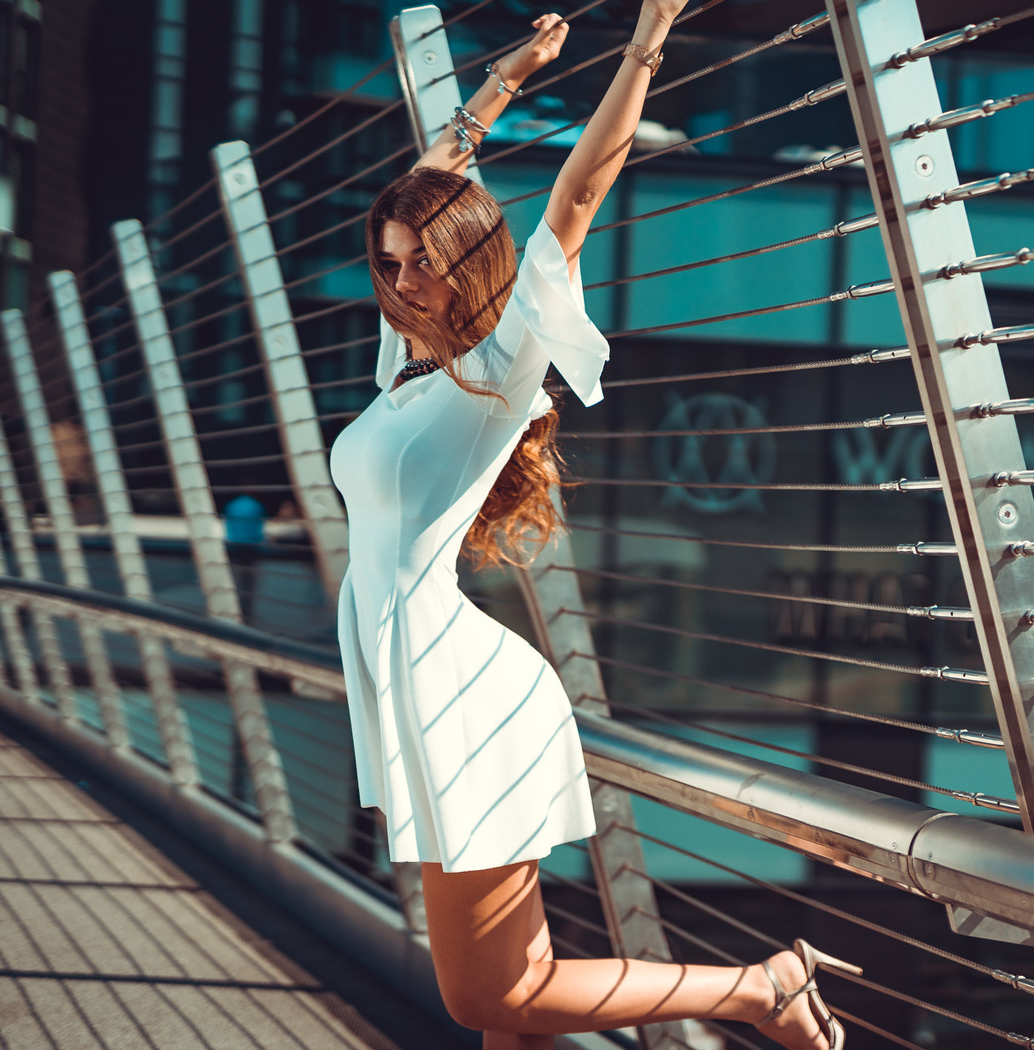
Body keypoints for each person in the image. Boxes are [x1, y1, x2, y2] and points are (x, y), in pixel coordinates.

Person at [326, 6, 859, 1050]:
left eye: (421, 261)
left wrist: (649, 35)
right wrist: (506, 79)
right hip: (420, 693)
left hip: (463, 698)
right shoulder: (403, 368)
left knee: (489, 999)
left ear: (469, 252)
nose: (402, 281)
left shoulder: (497, 367)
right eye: (387, 264)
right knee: (508, 1015)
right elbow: (434, 167)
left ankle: (762, 987)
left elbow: (579, 192)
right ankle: (762, 989)